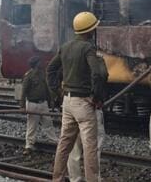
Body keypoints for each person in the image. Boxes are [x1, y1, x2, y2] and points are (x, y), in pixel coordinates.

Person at [47, 11, 107, 182]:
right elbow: (97, 74)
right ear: (90, 31)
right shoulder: (88, 48)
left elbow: (50, 69)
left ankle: (57, 178)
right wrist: (96, 97)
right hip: (83, 103)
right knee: (90, 147)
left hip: (67, 102)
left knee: (64, 144)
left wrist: (57, 93)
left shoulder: (65, 47)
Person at [67, 52, 109, 182]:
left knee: (74, 145)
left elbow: (54, 75)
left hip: (73, 104)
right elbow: (102, 76)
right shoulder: (97, 60)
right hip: (91, 108)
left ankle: (75, 178)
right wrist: (97, 99)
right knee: (94, 145)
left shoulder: (71, 60)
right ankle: (93, 178)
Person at [20, 56, 58, 154]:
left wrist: (51, 101)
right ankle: (29, 145)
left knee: (48, 123)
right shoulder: (28, 76)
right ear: (36, 64)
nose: (41, 64)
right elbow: (23, 92)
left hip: (43, 103)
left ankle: (55, 142)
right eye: (39, 62)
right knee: (32, 125)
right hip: (33, 104)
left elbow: (46, 88)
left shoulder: (42, 74)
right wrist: (22, 106)